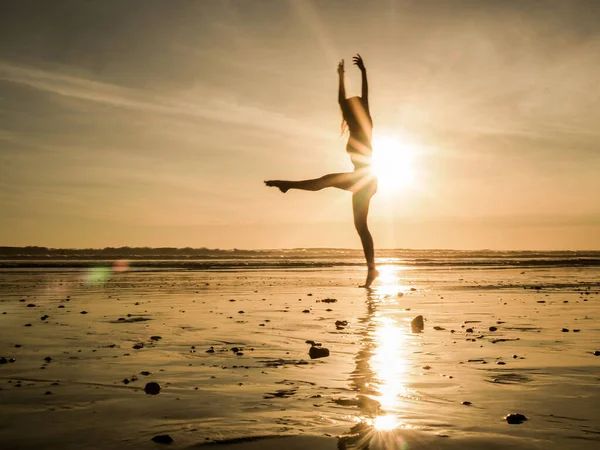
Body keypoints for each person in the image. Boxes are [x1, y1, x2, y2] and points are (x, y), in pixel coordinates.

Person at [265, 54, 378, 288]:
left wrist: (363, 72)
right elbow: (341, 99)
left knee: (326, 181)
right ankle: (372, 270)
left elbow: (365, 96)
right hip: (364, 179)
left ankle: (288, 185)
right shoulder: (354, 123)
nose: (355, 103)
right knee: (360, 227)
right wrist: (341, 76)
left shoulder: (366, 122)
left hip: (365, 178)